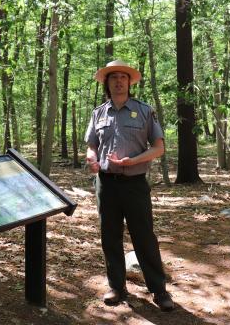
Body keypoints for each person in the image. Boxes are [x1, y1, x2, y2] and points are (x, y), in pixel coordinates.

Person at [84, 60, 174, 312]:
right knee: (109, 236)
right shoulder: (98, 113)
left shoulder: (144, 111)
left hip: (135, 184)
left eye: (123, 77)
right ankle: (116, 287)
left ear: (129, 82)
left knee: (144, 236)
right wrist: (92, 157)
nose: (119, 81)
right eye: (114, 78)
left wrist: (133, 160)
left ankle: (159, 289)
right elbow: (92, 144)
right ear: (107, 83)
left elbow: (159, 148)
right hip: (106, 184)